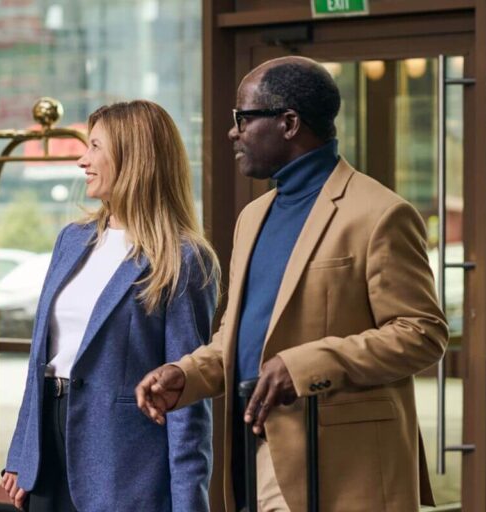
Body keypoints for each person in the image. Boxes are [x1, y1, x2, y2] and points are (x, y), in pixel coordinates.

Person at [135, 56, 448, 511]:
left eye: (242, 118)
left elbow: (422, 333)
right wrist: (188, 374)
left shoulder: (380, 213)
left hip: (343, 468)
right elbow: (239, 337)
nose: (232, 132)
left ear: (288, 123)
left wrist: (307, 364)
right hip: (252, 455)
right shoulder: (253, 218)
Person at [0, 100, 219, 511]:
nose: (83, 159)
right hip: (47, 449)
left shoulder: (184, 258)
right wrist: (21, 453)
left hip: (125, 465)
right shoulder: (72, 239)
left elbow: (189, 394)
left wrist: (190, 501)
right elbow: (40, 358)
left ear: (135, 157)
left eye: (95, 147)